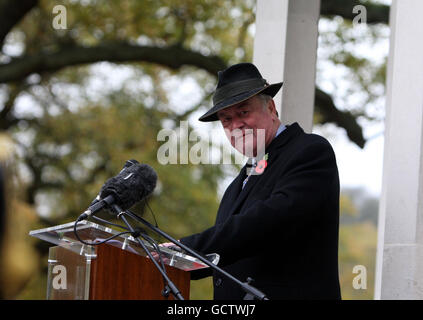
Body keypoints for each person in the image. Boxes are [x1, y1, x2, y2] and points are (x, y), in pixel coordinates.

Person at [171, 62, 341, 300]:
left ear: (271, 108)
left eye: (243, 112)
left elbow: (268, 222)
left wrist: (185, 248)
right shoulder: (235, 187)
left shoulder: (310, 151)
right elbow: (226, 254)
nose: (236, 125)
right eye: (226, 119)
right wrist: (169, 263)